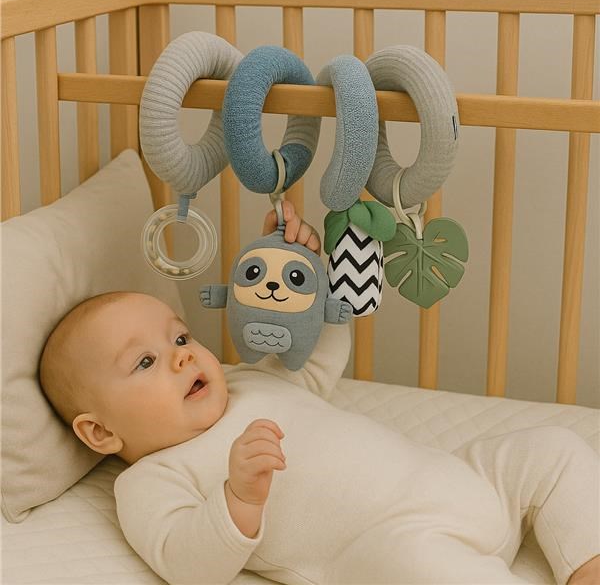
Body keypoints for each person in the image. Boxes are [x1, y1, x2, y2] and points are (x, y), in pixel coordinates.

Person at [39, 201, 599, 585]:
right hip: (390, 542)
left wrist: (302, 269)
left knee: (554, 450)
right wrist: (238, 498)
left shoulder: (247, 380)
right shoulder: (150, 481)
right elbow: (187, 565)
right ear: (100, 431)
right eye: (145, 361)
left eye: (180, 337)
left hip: (459, 478)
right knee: (422, 569)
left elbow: (318, 350)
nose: (182, 355)